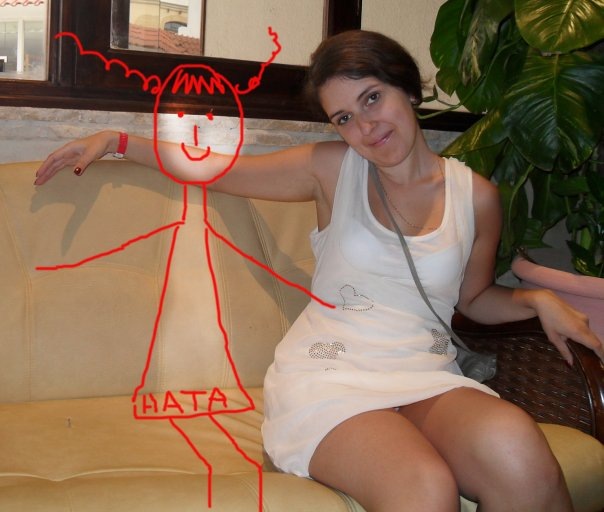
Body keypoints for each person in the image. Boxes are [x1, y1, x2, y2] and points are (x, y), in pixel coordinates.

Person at [35, 30, 603, 512]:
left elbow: (473, 299)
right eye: (345, 118)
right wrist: (119, 141)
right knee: (424, 490)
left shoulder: (476, 197)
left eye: (373, 98)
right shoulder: (332, 171)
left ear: (408, 88)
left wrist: (537, 299)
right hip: (330, 378)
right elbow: (215, 169)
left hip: (424, 372)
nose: (367, 127)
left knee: (521, 455)